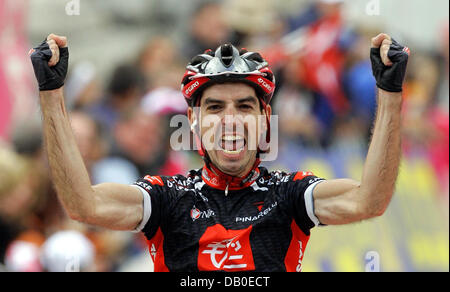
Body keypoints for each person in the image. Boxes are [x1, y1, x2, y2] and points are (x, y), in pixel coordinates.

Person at [29, 32, 409, 271]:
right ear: (193, 120)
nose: (230, 120)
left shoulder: (289, 192)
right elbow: (84, 205)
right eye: (215, 108)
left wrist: (389, 96)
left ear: (263, 118)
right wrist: (51, 95)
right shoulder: (166, 196)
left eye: (244, 106)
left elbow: (369, 200)